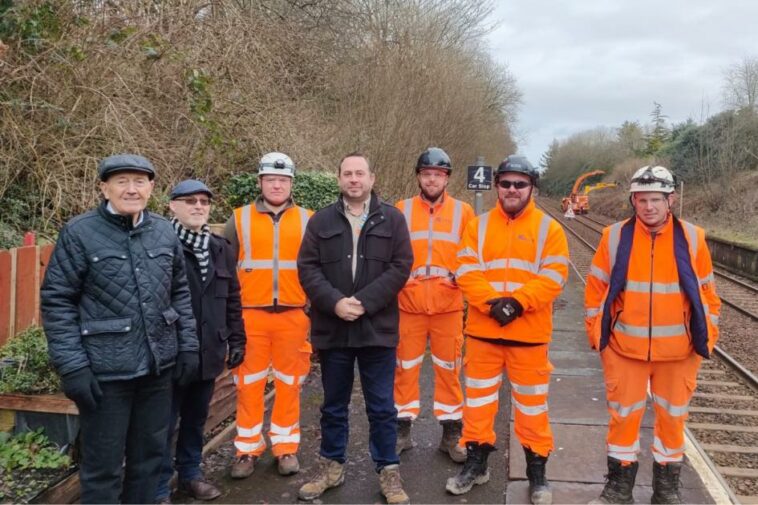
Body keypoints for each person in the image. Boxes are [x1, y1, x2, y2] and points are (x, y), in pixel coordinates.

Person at [40, 154, 199, 504]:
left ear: (151, 188)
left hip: (157, 373)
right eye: (122, 181)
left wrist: (188, 347)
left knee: (149, 462)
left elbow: (180, 294)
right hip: (106, 377)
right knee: (103, 468)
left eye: (139, 181)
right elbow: (58, 301)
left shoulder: (162, 231)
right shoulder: (80, 233)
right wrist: (73, 366)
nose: (131, 189)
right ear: (104, 187)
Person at [584, 165, 721, 504]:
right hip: (624, 349)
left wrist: (708, 336)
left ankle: (666, 492)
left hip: (679, 353)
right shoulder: (614, 237)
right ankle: (618, 491)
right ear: (633, 200)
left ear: (670, 199)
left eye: (656, 199)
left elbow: (708, 294)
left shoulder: (693, 238)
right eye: (642, 199)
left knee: (673, 422)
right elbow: (596, 288)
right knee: (622, 420)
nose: (649, 207)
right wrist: (598, 338)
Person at [446, 155, 569, 505]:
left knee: (532, 409)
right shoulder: (478, 225)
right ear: (497, 185)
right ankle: (477, 464)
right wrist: (492, 304)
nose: (512, 189)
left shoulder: (550, 230)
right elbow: (466, 270)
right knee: (479, 405)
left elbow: (554, 276)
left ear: (532, 187)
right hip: (484, 335)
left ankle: (537, 474)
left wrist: (516, 303)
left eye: (520, 184)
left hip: (528, 337)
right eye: (506, 183)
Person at [296, 152, 413, 504]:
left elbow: (401, 266)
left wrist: (363, 302)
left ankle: (388, 471)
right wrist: (334, 303)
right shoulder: (320, 222)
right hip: (334, 329)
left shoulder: (392, 220)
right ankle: (331, 466)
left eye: (360, 173)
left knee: (381, 406)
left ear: (372, 179)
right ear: (339, 179)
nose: (354, 180)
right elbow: (308, 268)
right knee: (333, 405)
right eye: (347, 174)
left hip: (377, 328)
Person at [155, 180, 247, 503]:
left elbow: (232, 297)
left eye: (204, 202)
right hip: (172, 354)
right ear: (172, 206)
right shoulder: (160, 244)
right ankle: (159, 484)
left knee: (196, 418)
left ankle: (190, 475)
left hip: (209, 351)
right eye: (190, 201)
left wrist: (237, 339)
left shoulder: (220, 247)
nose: (198, 206)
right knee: (163, 424)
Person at [224, 152, 313, 478]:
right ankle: (246, 450)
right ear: (260, 182)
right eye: (271, 179)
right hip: (250, 316)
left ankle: (285, 447)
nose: (277, 185)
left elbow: (318, 269)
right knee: (248, 384)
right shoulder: (239, 219)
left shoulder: (308, 219)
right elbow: (224, 269)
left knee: (290, 384)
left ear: (291, 183)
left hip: (293, 314)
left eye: (283, 180)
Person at [394, 147, 474, 462]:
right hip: (408, 305)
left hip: (448, 307)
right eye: (426, 174)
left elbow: (472, 255)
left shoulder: (463, 212)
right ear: (418, 176)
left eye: (437, 175)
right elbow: (390, 255)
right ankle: (401, 431)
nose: (431, 180)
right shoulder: (400, 210)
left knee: (449, 371)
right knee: (404, 369)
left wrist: (461, 281)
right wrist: (400, 282)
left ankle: (451, 435)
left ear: (446, 179)